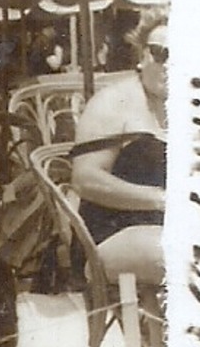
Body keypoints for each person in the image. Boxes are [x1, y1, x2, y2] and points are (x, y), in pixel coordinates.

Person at [71, 18, 167, 286]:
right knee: (190, 255)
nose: (171, 65)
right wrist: (161, 200)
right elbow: (85, 179)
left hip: (171, 227)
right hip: (111, 234)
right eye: (162, 54)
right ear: (142, 55)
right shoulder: (114, 102)